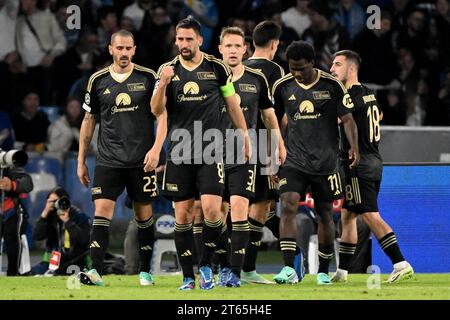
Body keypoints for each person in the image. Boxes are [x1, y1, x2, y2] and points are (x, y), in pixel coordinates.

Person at [145, 18, 250, 290]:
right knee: (183, 216)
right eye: (179, 39)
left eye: (188, 39)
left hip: (211, 149)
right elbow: (157, 111)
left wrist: (245, 136)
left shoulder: (217, 68)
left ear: (199, 40)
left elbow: (232, 104)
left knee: (213, 212)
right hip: (180, 152)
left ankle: (207, 264)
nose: (183, 44)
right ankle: (189, 278)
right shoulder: (166, 70)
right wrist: (163, 84)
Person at [272, 41, 359, 285]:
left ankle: (322, 271)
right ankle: (289, 268)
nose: (296, 73)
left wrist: (353, 147)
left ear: (312, 63)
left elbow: (348, 119)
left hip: (326, 163)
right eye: (292, 68)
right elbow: (274, 119)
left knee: (324, 215)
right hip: (293, 160)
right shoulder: (283, 86)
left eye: (300, 68)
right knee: (288, 205)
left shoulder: (332, 85)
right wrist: (275, 151)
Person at [77, 29, 159, 286]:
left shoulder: (148, 77)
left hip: (141, 160)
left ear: (134, 50)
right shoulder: (97, 80)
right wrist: (81, 161)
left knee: (144, 216)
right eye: (119, 48)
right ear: (110, 49)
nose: (124, 53)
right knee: (101, 212)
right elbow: (88, 121)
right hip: (109, 159)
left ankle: (145, 272)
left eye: (128, 48)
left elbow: (162, 115)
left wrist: (157, 149)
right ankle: (96, 272)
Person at [330, 50, 414, 283]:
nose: (332, 69)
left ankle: (400, 262)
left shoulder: (348, 96)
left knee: (369, 214)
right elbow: (378, 116)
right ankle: (342, 272)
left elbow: (334, 120)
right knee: (348, 216)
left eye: (337, 65)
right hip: (373, 160)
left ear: (352, 69)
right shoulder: (369, 94)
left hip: (359, 163)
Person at [215, 26, 286, 287]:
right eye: (228, 46)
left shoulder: (257, 78)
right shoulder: (209, 76)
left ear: (245, 49)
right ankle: (213, 268)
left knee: (242, 211)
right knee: (213, 214)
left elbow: (269, 115)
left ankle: (238, 272)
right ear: (220, 49)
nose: (233, 51)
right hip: (211, 152)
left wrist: (278, 145)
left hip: (246, 153)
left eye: (237, 46)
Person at [240, 20, 286, 285]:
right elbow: (276, 114)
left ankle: (224, 266)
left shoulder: (239, 68)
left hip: (235, 143)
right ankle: (246, 269)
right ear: (274, 44)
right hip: (264, 145)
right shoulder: (274, 70)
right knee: (261, 206)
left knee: (236, 205)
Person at [32, 187, 90, 275]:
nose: (55, 204)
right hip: (54, 261)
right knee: (30, 273)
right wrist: (44, 214)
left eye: (57, 201)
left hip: (76, 260)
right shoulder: (50, 216)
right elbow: (37, 236)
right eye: (51, 201)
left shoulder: (78, 216)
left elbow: (84, 239)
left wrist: (67, 221)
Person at [0, 155, 33, 276]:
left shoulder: (7, 166)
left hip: (12, 212)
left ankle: (13, 274)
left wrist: (12, 185)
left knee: (12, 234)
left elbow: (27, 183)